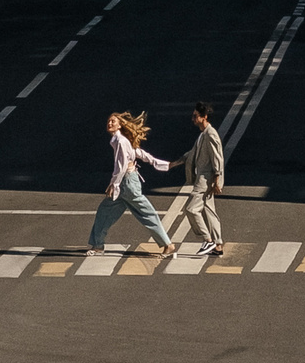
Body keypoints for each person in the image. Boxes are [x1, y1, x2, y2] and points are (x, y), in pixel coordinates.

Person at [89, 110, 174, 254]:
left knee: (146, 213)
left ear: (120, 125)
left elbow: (121, 166)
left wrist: (114, 184)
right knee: (105, 211)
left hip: (127, 182)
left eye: (113, 121)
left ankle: (168, 244)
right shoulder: (120, 140)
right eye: (109, 121)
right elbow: (139, 153)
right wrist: (162, 164)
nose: (110, 123)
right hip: (126, 182)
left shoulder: (121, 141)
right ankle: (98, 245)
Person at [165, 101, 227, 249]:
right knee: (209, 210)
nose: (193, 118)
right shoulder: (202, 135)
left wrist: (217, 179)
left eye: (195, 116)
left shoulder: (211, 134)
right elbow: (192, 154)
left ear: (204, 117)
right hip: (205, 177)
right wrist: (175, 163)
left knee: (191, 209)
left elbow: (217, 157)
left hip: (206, 179)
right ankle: (218, 244)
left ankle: (208, 239)